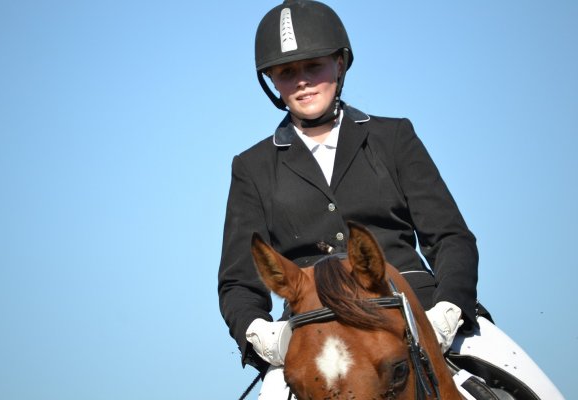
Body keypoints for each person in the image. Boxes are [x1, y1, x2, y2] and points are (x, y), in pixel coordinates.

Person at [218, 1, 563, 399]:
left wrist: (449, 309)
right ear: (272, 81)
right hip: (314, 327)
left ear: (339, 65)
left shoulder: (394, 137)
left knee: (531, 384)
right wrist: (260, 333)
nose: (303, 82)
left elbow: (451, 237)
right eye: (287, 73)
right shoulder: (252, 167)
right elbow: (237, 282)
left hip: (417, 309)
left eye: (314, 66)